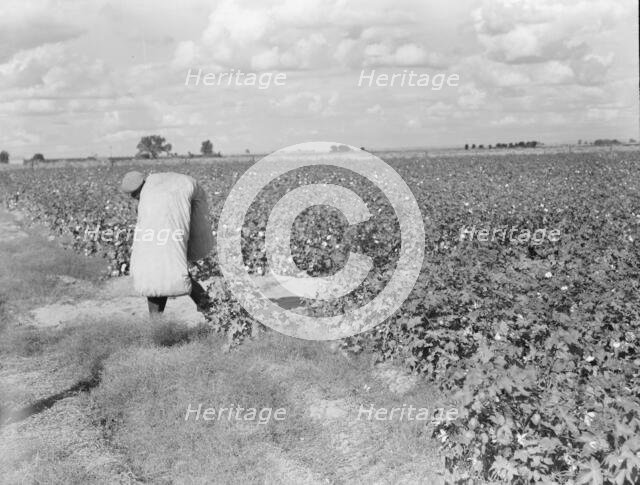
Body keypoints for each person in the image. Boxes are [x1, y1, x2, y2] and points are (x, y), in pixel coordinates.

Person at [120, 170, 213, 315]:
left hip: (165, 241)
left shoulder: (150, 196)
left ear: (140, 189)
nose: (135, 198)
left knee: (160, 277)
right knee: (168, 275)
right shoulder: (153, 193)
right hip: (165, 241)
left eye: (135, 195)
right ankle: (208, 307)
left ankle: (206, 308)